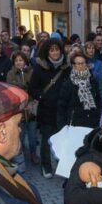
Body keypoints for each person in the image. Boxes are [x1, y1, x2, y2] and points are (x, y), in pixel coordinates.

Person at [28, 38, 70, 178]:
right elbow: (32, 88)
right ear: (47, 52)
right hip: (46, 110)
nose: (55, 53)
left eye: (57, 50)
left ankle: (62, 165)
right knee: (47, 140)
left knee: (63, 139)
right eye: (52, 50)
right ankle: (46, 167)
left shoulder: (67, 68)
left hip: (63, 110)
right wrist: (42, 97)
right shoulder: (40, 67)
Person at [6, 51, 38, 165]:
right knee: (21, 135)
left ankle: (33, 153)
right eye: (16, 61)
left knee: (32, 136)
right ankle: (21, 155)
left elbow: (34, 87)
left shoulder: (32, 71)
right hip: (18, 109)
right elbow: (11, 89)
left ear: (25, 61)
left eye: (21, 60)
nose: (19, 62)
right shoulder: (10, 74)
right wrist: (25, 86)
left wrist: (23, 86)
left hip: (31, 108)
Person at [57, 51, 102, 128]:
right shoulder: (68, 84)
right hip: (74, 124)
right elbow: (62, 107)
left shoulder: (92, 81)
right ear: (73, 65)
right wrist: (62, 127)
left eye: (83, 63)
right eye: (78, 64)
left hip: (92, 123)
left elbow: (98, 102)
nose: (81, 66)